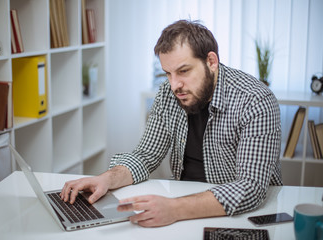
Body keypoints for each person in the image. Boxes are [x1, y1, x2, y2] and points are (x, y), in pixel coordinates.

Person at [60, 19, 283, 227]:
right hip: (183, 206)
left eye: (183, 71)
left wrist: (174, 209)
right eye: (168, 73)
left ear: (211, 61)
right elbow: (145, 156)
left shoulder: (255, 100)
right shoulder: (168, 93)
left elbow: (250, 188)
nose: (175, 85)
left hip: (238, 215)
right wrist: (105, 179)